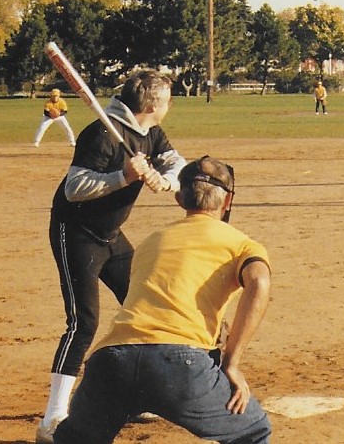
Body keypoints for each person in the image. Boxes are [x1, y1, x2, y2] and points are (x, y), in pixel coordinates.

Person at [51, 156, 273, 444]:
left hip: (110, 360)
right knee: (254, 432)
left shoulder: (151, 241)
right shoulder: (242, 243)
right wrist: (230, 362)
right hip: (181, 365)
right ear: (227, 201)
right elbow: (259, 281)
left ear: (180, 199)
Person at [36, 70, 186, 443]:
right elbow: (74, 188)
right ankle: (53, 416)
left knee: (143, 302)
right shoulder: (99, 133)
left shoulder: (149, 134)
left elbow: (176, 161)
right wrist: (123, 175)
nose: (170, 105)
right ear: (151, 105)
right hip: (78, 234)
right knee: (83, 322)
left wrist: (165, 180)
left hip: (110, 234)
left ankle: (139, 394)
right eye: (167, 99)